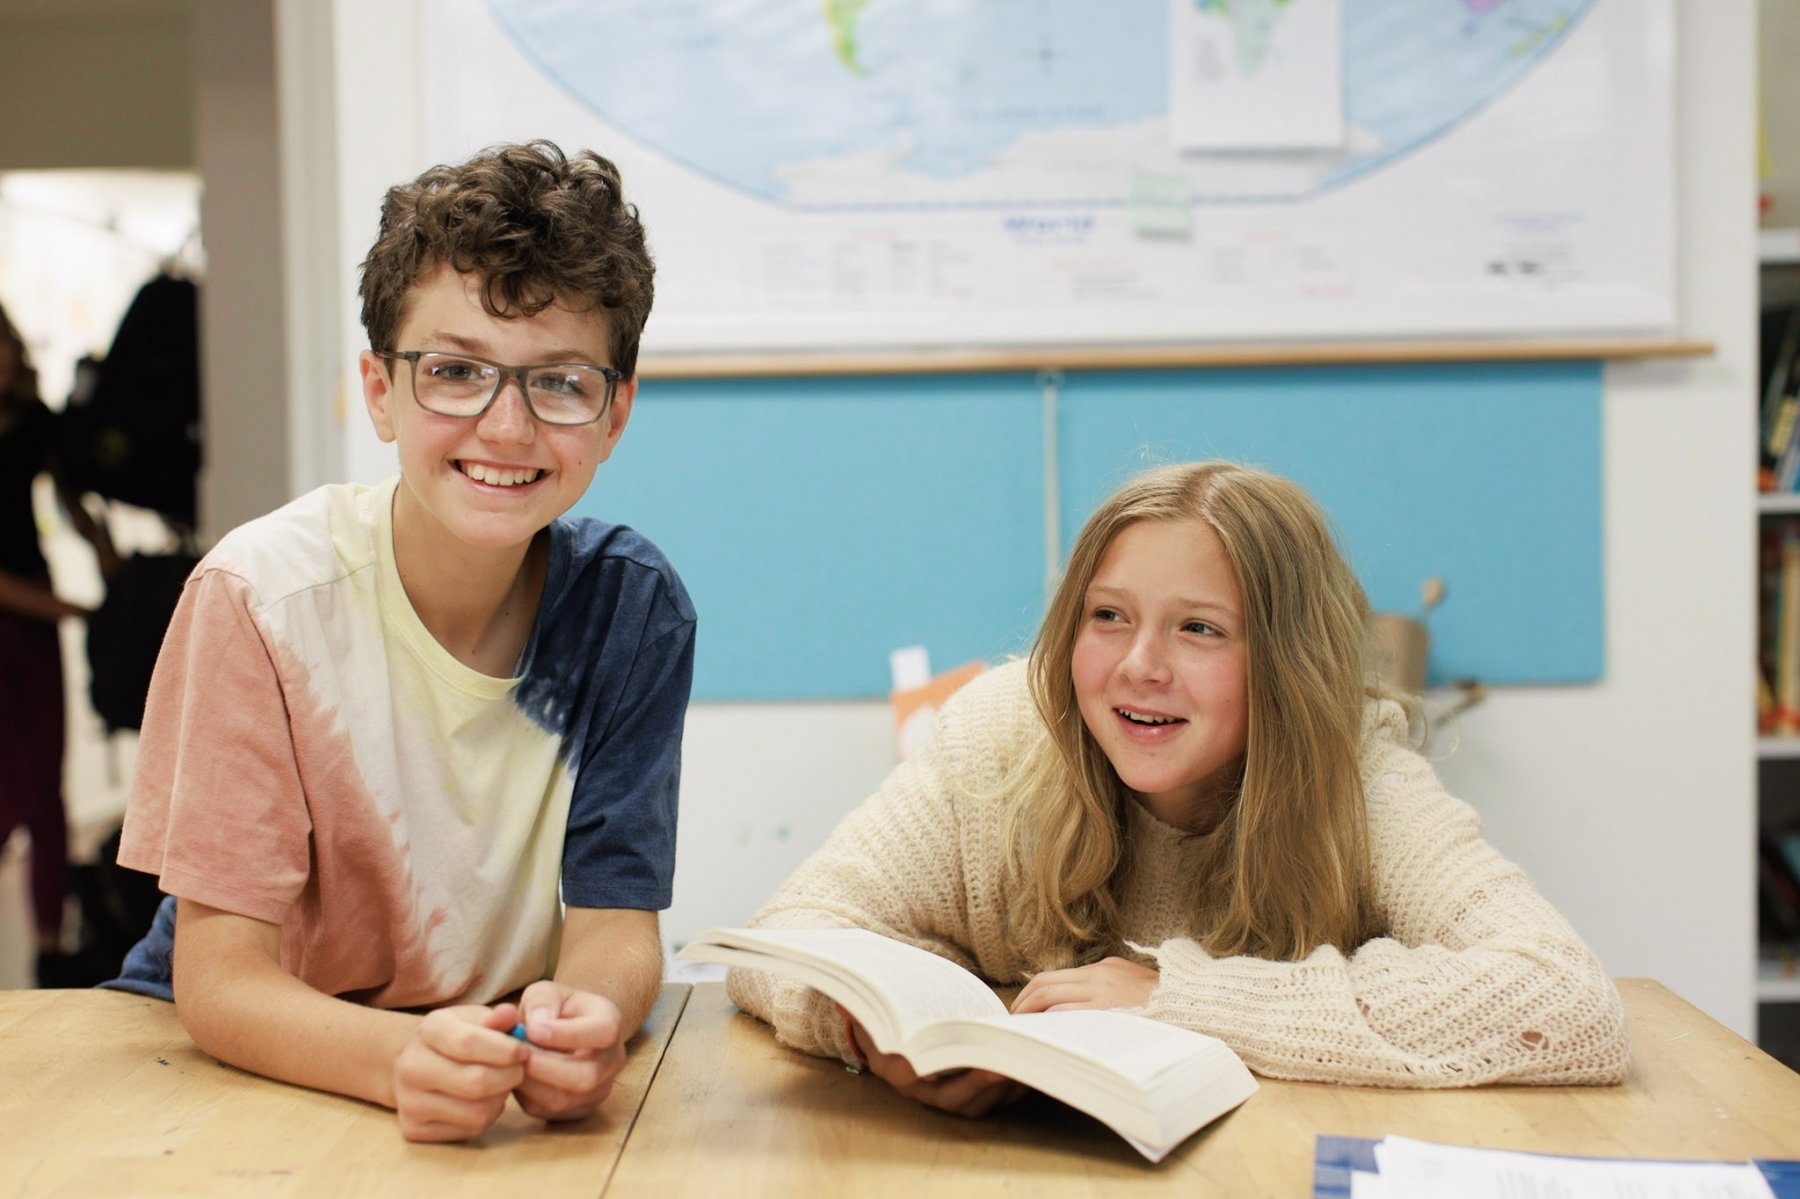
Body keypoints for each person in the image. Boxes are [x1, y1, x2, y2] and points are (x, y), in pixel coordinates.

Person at [727, 460, 1629, 1117]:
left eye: (1199, 628)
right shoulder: (1004, 734)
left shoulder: (1363, 778)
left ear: (1286, 665)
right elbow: (780, 941)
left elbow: (1566, 1003)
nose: (1138, 667)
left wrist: (1179, 998)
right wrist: (867, 1032)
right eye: (1107, 616)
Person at [108, 142, 696, 1143]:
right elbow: (219, 981)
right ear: (380, 389)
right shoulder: (261, 597)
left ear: (615, 412)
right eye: (457, 370)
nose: (506, 425)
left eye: (559, 381)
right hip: (236, 1064)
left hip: (468, 1060)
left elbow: (614, 924)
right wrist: (394, 1057)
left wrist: (587, 1017)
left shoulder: (631, 608)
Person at [0, 301, 117, 987]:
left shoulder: (36, 422)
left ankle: (48, 949)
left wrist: (111, 565)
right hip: (21, 604)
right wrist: (78, 608)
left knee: (45, 792)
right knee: (13, 792)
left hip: (34, 600)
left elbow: (73, 501)